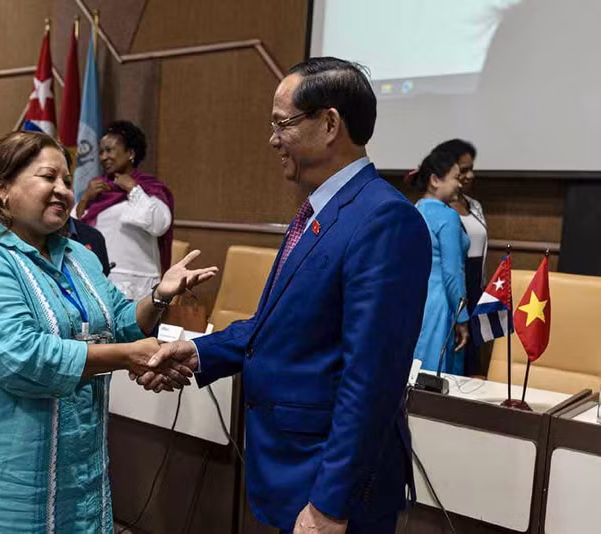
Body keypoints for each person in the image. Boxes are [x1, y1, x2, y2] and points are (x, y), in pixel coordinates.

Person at [143, 57, 432, 534]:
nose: (272, 139)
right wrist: (197, 351)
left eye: (282, 124)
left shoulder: (384, 220)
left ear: (329, 124)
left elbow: (372, 379)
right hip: (293, 468)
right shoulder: (319, 212)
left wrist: (330, 505)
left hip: (332, 485)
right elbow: (274, 327)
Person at [0, 131, 216, 533]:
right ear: (2, 187)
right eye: (49, 177)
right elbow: (22, 358)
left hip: (79, 461)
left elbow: (120, 323)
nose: (63, 190)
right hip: (2, 470)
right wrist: (125, 357)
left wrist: (160, 296)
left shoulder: (79, 255)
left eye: (67, 181)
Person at [74, 120, 174, 300]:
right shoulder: (98, 189)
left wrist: (134, 189)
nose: (103, 157)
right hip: (98, 279)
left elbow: (159, 224)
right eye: (101, 151)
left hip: (137, 285)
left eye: (110, 150)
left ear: (131, 153)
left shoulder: (149, 188)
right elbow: (72, 229)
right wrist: (86, 198)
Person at [407, 147, 470, 375]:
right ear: (435, 180)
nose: (460, 184)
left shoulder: (412, 211)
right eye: (455, 178)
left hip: (413, 304)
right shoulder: (447, 216)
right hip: (441, 305)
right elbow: (452, 273)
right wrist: (462, 318)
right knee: (438, 380)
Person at [440, 139, 487, 376]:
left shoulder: (475, 205)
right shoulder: (439, 208)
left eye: (472, 168)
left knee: (474, 359)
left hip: (476, 284)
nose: (470, 175)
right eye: (464, 169)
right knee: (455, 351)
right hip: (454, 285)